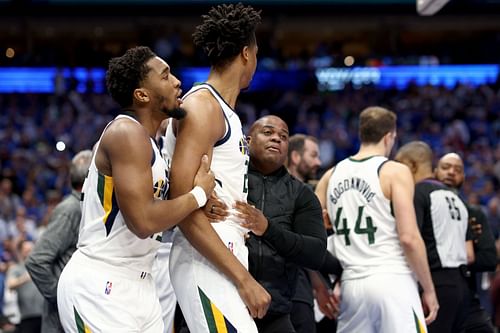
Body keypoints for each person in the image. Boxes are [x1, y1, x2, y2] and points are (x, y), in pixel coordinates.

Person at [56, 46, 215, 332]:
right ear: (141, 95)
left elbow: (161, 217)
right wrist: (198, 195)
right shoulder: (125, 133)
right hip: (100, 283)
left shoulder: (151, 143)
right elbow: (142, 221)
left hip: (142, 283)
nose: (177, 81)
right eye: (165, 76)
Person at [164, 4, 271, 332]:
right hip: (205, 255)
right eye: (256, 53)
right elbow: (183, 204)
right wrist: (244, 279)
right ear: (245, 54)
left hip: (223, 252)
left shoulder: (224, 112)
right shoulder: (202, 107)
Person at [315, 106, 439, 333]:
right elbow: (409, 238)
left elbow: (308, 234)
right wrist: (429, 289)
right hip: (392, 279)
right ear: (389, 136)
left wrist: (320, 285)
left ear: (361, 133)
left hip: (351, 284)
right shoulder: (394, 171)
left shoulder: (330, 175)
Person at [204, 115, 328, 332]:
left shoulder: (302, 194)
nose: (277, 139)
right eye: (268, 132)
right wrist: (203, 205)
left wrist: (268, 229)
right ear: (248, 141)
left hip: (274, 309)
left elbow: (316, 253)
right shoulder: (221, 178)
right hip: (222, 300)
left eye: (283, 136)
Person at [395, 141, 475, 333]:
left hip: (434, 282)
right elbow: (469, 253)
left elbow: (410, 239)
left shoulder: (418, 193)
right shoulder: (458, 200)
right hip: (461, 285)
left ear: (411, 165)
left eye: (400, 165)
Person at [25, 149, 92, 333]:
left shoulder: (84, 207)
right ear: (90, 177)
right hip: (61, 323)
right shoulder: (70, 210)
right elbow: (36, 261)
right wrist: (62, 298)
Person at [434, 152, 496, 333]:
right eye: (446, 167)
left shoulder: (473, 213)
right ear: (434, 171)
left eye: (458, 170)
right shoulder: (422, 205)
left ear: (463, 177)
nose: (451, 172)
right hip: (431, 295)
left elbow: (489, 259)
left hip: (467, 298)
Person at [286, 133, 337, 333]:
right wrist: (344, 267)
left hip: (304, 287)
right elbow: (306, 247)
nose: (319, 161)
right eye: (313, 155)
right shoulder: (295, 192)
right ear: (296, 157)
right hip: (294, 290)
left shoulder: (305, 191)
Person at [6, 240, 44, 333]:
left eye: (31, 249)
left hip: (44, 316)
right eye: (26, 250)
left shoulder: (42, 267)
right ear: (20, 252)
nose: (30, 252)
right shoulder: (16, 268)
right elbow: (10, 284)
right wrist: (26, 277)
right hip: (27, 317)